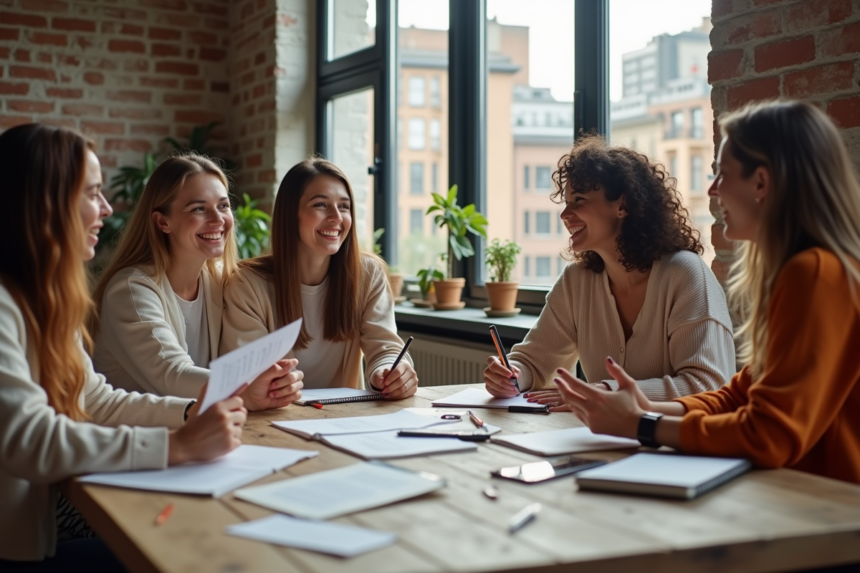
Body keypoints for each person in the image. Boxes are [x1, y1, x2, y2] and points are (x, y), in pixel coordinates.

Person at [556, 101, 860, 485]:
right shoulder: (809, 271)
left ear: (761, 183)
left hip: (829, 511)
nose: (713, 189)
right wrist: (648, 407)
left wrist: (642, 424)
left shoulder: (814, 274)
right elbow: (739, 396)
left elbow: (768, 434)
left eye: (722, 173)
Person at [0, 124, 248, 568]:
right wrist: (178, 446)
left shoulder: (42, 298)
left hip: (32, 532)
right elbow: (28, 438)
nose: (107, 208)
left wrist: (189, 415)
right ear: (45, 204)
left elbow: (95, 399)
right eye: (93, 194)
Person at [485, 135, 736, 406]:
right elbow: (533, 361)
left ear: (622, 205)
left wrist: (601, 393)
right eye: (566, 201)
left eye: (579, 199)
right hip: (605, 441)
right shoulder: (576, 282)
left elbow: (707, 387)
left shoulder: (685, 274)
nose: (565, 214)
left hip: (679, 445)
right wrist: (512, 375)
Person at [92, 154, 302, 411]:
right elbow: (173, 374)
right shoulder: (130, 291)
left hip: (197, 433)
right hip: (138, 442)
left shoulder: (219, 281)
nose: (217, 220)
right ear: (163, 222)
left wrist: (277, 380)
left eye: (223, 206)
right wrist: (247, 390)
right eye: (199, 209)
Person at [220, 158, 418, 398]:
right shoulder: (247, 283)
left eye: (344, 207)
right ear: (291, 214)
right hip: (272, 419)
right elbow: (250, 376)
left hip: (341, 419)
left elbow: (385, 347)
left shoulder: (368, 274)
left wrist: (389, 371)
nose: (336, 217)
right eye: (321, 205)